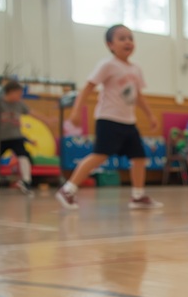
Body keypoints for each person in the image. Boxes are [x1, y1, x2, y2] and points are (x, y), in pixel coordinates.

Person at [56, 24, 161, 210]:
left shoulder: (136, 69)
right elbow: (88, 87)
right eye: (122, 38)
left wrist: (150, 115)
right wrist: (75, 111)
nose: (128, 41)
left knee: (139, 158)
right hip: (108, 119)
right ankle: (68, 189)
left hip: (129, 121)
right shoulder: (107, 65)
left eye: (130, 38)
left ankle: (137, 196)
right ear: (110, 44)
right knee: (99, 155)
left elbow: (138, 96)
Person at [0, 80, 54, 195]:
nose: (20, 96)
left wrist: (47, 120)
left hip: (15, 137)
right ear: (10, 92)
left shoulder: (19, 104)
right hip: (0, 138)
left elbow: (32, 113)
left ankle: (26, 181)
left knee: (23, 156)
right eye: (18, 93)